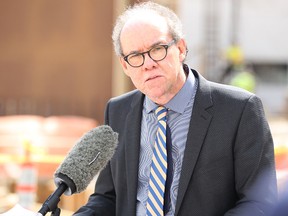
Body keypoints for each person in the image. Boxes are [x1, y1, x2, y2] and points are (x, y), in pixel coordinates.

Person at [73, 1, 277, 215]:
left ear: (180, 48)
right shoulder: (118, 111)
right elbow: (108, 198)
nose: (148, 63)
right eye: (135, 56)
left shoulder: (240, 110)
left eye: (157, 49)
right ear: (125, 65)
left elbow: (259, 203)